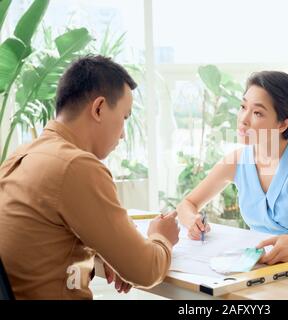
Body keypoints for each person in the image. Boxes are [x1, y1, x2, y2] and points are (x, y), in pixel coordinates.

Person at [0, 55, 179, 299]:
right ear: (99, 108)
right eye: (124, 118)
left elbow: (39, 244)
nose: (123, 134)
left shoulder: (22, 155)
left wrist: (102, 250)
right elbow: (146, 270)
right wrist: (161, 236)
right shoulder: (76, 166)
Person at [177, 71, 288, 265]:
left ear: (283, 124)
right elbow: (187, 204)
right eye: (243, 107)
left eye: (257, 113)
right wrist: (192, 220)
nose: (243, 119)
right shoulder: (236, 161)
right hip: (259, 264)